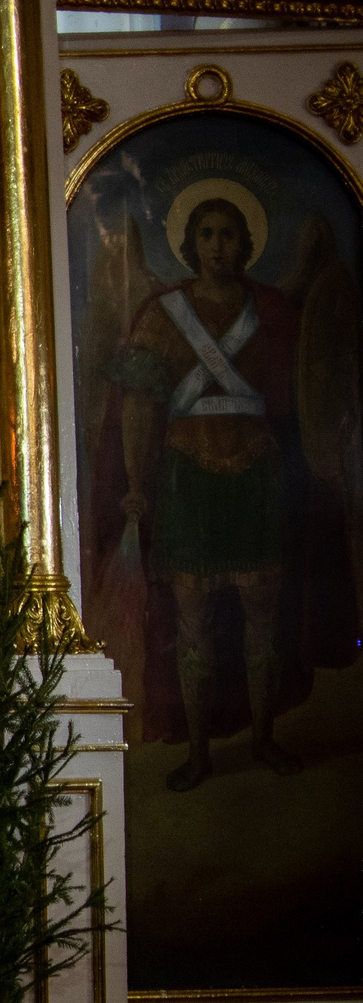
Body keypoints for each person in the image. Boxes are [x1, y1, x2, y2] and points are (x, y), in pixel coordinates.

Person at [113, 195, 329, 791]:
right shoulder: (163, 316)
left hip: (258, 473)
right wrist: (136, 484)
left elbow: (314, 379)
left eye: (229, 234)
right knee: (194, 623)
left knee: (262, 616)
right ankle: (201, 751)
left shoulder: (270, 311)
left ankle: (262, 738)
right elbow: (138, 404)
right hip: (188, 478)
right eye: (207, 233)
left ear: (245, 243)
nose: (218, 244)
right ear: (191, 244)